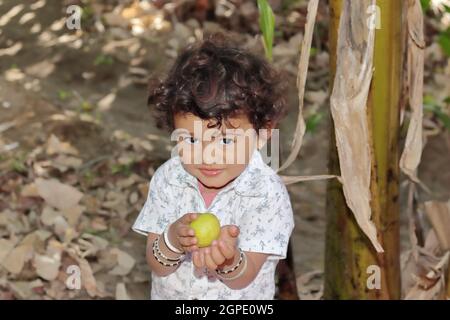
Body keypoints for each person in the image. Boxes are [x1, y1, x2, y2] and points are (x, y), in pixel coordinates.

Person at [132, 33, 295, 299]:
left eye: (228, 141)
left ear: (263, 133)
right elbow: (157, 266)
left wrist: (228, 261)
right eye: (192, 139)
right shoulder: (169, 179)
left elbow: (245, 278)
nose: (209, 156)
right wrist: (172, 240)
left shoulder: (266, 194)